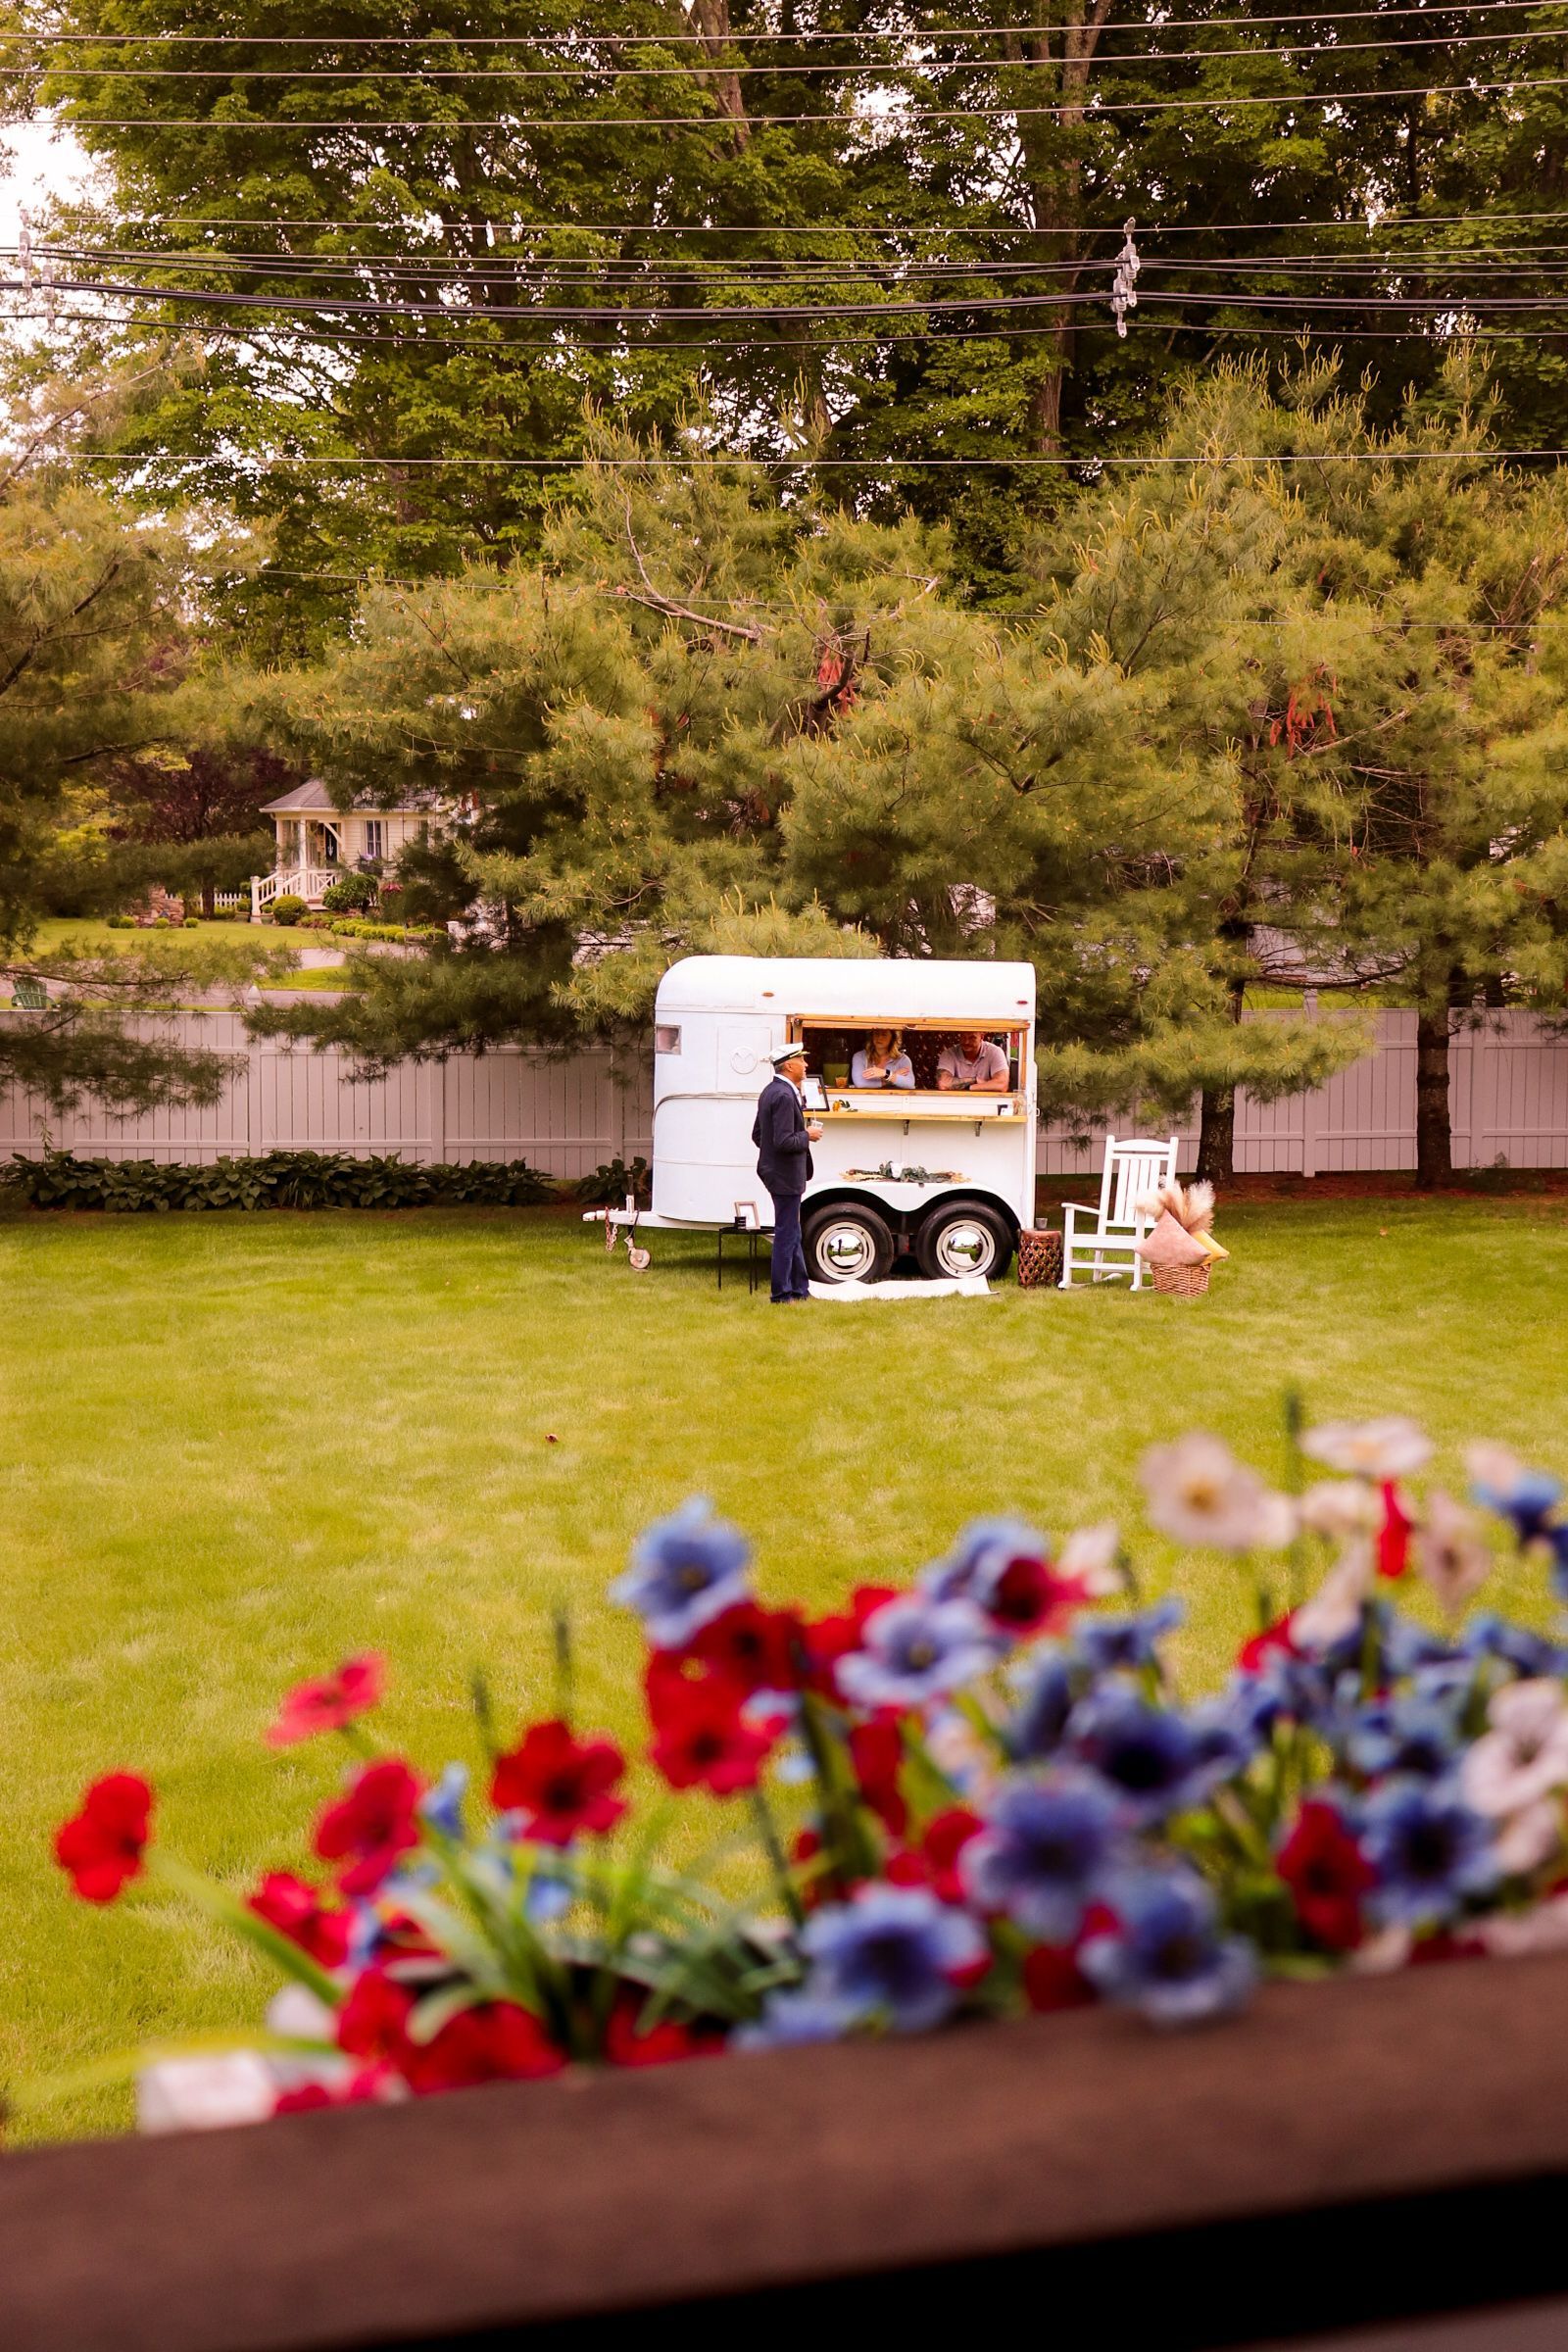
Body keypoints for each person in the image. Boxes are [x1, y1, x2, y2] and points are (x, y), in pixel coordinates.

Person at [752, 1044, 823, 1303]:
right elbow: (783, 1141)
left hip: (776, 1172)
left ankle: (799, 1290)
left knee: (793, 1231)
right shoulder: (783, 1095)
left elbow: (758, 1135)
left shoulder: (771, 1091)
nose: (806, 1065)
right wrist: (808, 1135)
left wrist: (770, 1158)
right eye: (802, 1060)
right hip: (784, 1175)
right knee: (786, 1233)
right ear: (789, 1065)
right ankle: (781, 1294)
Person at [937, 1030, 1010, 1094]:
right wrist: (975, 1080)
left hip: (987, 1102)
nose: (966, 1042)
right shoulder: (949, 1054)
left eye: (972, 1037)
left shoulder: (995, 1052)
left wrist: (970, 1087)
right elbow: (943, 1084)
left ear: (982, 1037)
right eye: (963, 1037)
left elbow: (1002, 1085)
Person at [850, 1027, 915, 1091]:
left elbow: (910, 1084)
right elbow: (860, 1084)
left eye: (884, 1034)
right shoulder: (859, 1056)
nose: (879, 1038)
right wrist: (891, 1076)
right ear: (872, 1036)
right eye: (876, 1034)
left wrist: (884, 1073)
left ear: (892, 1038)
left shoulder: (903, 1059)